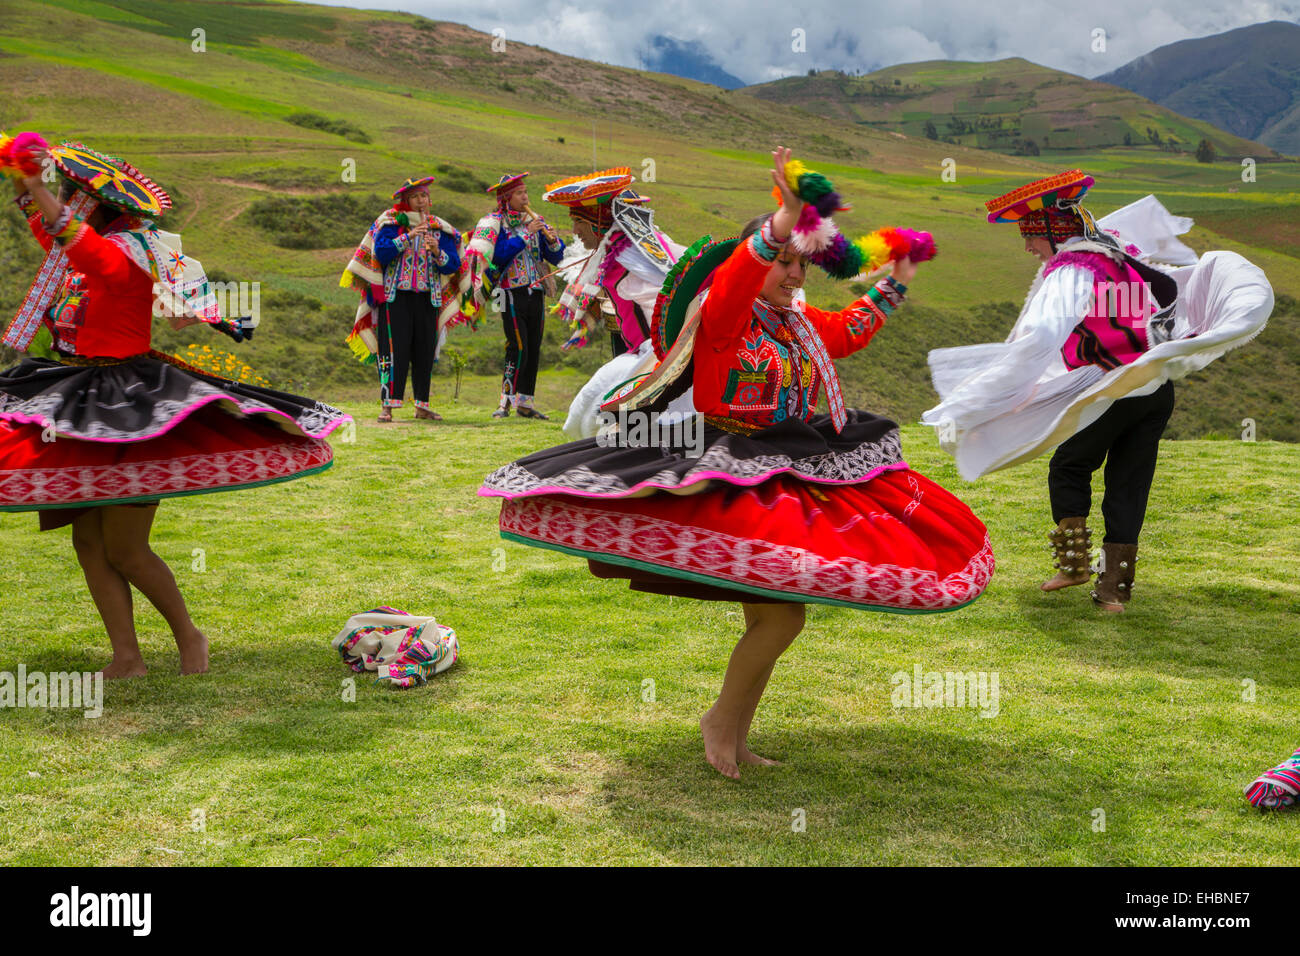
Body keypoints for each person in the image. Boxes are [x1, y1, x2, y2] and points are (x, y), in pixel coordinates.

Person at [481, 149, 992, 779]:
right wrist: (782, 221)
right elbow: (738, 278)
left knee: (773, 612)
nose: (794, 273)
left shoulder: (799, 324)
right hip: (738, 470)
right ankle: (723, 723)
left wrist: (901, 273)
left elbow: (854, 328)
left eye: (801, 263)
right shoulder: (726, 317)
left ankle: (731, 728)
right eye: (782, 261)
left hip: (795, 469)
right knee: (782, 615)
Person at [0, 134, 351, 678]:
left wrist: (41, 192)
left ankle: (191, 637)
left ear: (96, 206)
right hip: (80, 393)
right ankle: (127, 657)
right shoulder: (81, 250)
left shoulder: (126, 255)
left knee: (125, 546)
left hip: (130, 406)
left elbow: (74, 238)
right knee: (88, 540)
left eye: (75, 196)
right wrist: (26, 185)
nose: (67, 203)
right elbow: (56, 232)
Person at [922, 172, 1273, 612]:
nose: (1028, 248)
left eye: (1031, 237)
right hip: (1153, 387)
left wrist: (979, 391)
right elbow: (1142, 247)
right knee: (1129, 480)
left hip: (1111, 385)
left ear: (1053, 233)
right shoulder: (1115, 253)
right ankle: (1114, 591)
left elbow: (1044, 332)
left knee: (1069, 465)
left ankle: (1073, 566)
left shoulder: (1072, 269)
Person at [540, 167, 691, 438]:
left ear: (598, 221)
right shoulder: (618, 250)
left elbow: (668, 286)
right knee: (593, 416)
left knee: (591, 413)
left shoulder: (628, 255)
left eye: (578, 221)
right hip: (646, 349)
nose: (574, 230)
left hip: (655, 354)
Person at [342, 176, 462, 423]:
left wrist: (438, 251)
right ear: (405, 201)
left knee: (424, 350)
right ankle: (388, 405)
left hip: (429, 297)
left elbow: (454, 264)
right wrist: (407, 237)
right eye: (415, 197)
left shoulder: (440, 228)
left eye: (424, 196)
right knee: (393, 349)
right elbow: (381, 253)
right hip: (395, 296)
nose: (421, 201)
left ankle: (422, 405)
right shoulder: (389, 222)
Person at [463, 172, 565, 420]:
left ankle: (526, 404)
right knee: (516, 346)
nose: (525, 197)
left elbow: (556, 256)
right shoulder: (495, 223)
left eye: (526, 193)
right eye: (520, 194)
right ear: (506, 198)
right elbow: (496, 256)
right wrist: (526, 233)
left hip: (536, 291)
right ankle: (505, 402)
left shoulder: (533, 221)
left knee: (533, 347)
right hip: (505, 292)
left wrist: (551, 240)